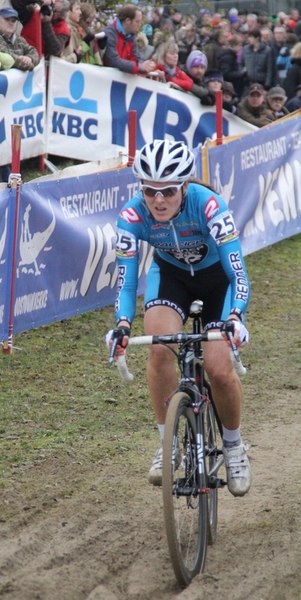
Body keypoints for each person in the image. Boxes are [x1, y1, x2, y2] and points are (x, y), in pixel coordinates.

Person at [109, 139, 252, 497]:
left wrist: (235, 316)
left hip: (218, 281)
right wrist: (122, 325)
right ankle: (168, 442)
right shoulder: (131, 217)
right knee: (159, 348)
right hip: (171, 278)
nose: (158, 200)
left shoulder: (209, 207)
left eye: (168, 191)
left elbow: (238, 274)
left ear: (184, 186)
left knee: (219, 369)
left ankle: (234, 446)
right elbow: (126, 284)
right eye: (149, 191)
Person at [103, 4, 155, 75]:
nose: (139, 25)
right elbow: (113, 60)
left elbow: (136, 59)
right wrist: (140, 67)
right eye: (137, 22)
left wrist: (148, 67)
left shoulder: (131, 36)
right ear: (128, 21)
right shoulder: (110, 33)